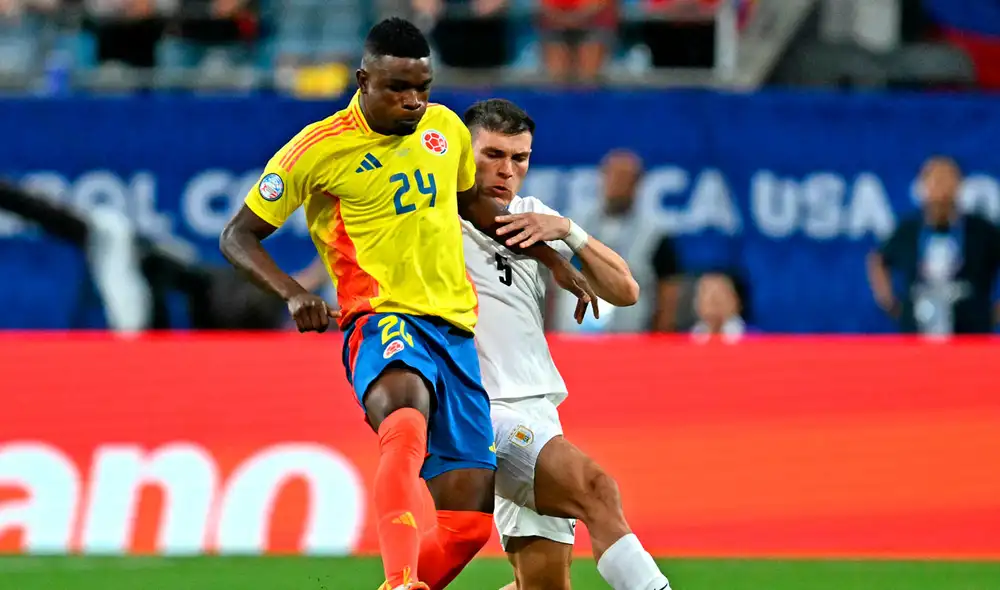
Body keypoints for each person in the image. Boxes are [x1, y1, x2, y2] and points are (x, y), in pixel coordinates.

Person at [219, 19, 598, 590]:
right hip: (381, 319)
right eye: (398, 88)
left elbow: (474, 206)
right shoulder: (317, 149)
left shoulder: (444, 129)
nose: (414, 101)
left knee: (467, 524)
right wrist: (295, 293)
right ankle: (400, 582)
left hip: (455, 333)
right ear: (363, 79)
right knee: (404, 410)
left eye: (422, 86)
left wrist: (551, 257)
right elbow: (237, 236)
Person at [460, 98, 671, 590]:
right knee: (598, 490)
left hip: (540, 411)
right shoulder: (438, 219)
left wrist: (568, 232)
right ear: (463, 153)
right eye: (492, 154)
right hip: (485, 406)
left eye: (520, 158)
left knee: (544, 586)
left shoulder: (533, 215)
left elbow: (625, 291)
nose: (507, 170)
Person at [867, 156, 1000, 335]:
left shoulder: (982, 230)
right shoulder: (908, 230)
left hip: (971, 336)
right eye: (935, 179)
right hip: (916, 335)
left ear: (959, 184)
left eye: (947, 178)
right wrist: (890, 302)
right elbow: (878, 260)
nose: (941, 187)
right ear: (922, 186)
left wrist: (993, 313)